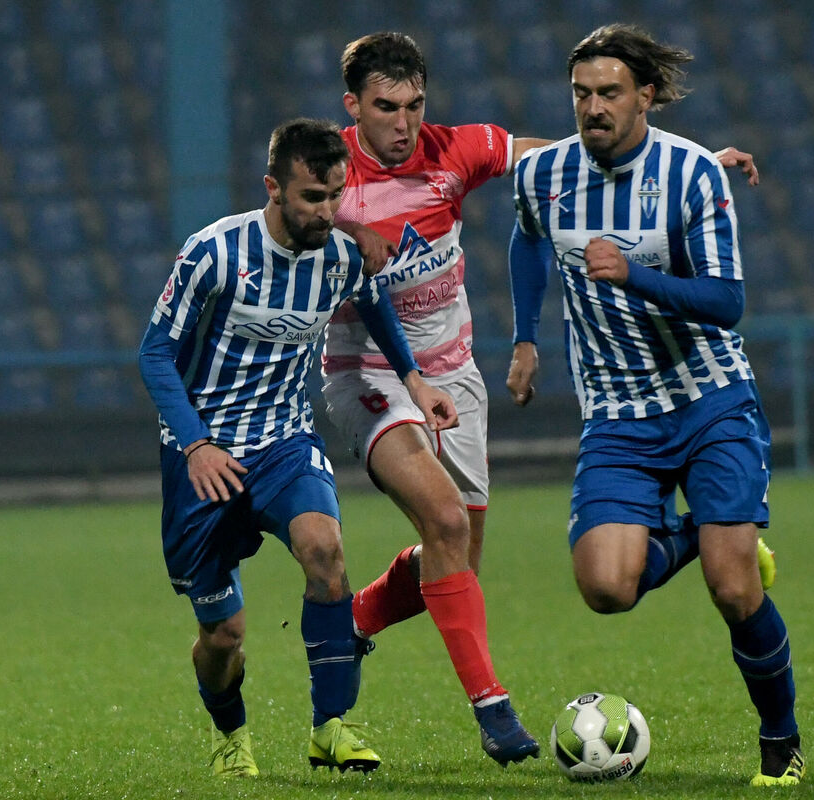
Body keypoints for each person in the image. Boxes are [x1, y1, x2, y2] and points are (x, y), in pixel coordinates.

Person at [320, 30, 763, 767]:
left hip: (453, 373)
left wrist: (686, 163)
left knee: (456, 555)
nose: (403, 123)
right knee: (442, 521)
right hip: (366, 372)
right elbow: (289, 210)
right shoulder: (330, 172)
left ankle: (354, 620)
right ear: (352, 107)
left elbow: (562, 158)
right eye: (385, 108)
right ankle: (493, 710)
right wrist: (347, 227)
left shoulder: (456, 149)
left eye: (414, 105)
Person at [504, 24, 803, 786]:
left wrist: (634, 275)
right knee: (606, 589)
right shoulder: (543, 174)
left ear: (646, 96)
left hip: (708, 399)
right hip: (616, 414)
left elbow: (728, 301)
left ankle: (780, 740)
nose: (592, 108)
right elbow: (527, 239)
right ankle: (709, 531)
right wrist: (525, 338)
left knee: (735, 588)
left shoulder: (694, 173)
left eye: (609, 93)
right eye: (581, 94)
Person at [137, 118, 458, 778]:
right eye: (312, 197)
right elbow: (154, 354)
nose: (326, 212)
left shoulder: (341, 257)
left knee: (325, 551)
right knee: (223, 637)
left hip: (284, 443)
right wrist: (196, 445)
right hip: (204, 460)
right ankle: (231, 735)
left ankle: (331, 727)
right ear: (273, 188)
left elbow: (374, 303)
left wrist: (414, 379)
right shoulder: (214, 253)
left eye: (336, 195)